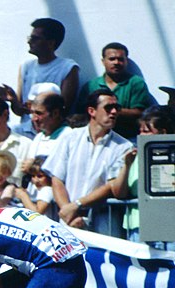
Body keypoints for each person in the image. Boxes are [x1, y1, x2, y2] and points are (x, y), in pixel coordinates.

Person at [42, 88, 133, 234]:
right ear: (92, 111)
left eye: (117, 108)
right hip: (69, 222)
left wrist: (76, 205)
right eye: (109, 107)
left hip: (103, 223)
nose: (114, 112)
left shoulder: (124, 146)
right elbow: (57, 179)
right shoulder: (70, 138)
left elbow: (112, 186)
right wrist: (68, 211)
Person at [0, 18, 79, 136]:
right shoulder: (26, 67)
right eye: (30, 38)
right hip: (26, 133)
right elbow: (20, 111)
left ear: (51, 43)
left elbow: (63, 109)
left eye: (35, 38)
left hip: (52, 133)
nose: (30, 42)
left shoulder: (68, 68)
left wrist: (33, 106)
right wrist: (13, 100)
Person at [111, 106, 175, 245]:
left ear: (163, 133)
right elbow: (119, 193)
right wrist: (127, 165)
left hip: (170, 226)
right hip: (139, 226)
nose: (141, 136)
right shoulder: (133, 156)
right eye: (139, 131)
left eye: (146, 131)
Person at [76, 42, 153, 140]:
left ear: (126, 61)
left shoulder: (136, 83)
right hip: (95, 137)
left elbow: (140, 113)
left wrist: (107, 110)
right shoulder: (91, 85)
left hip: (128, 138)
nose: (116, 62)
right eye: (112, 59)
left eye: (120, 59)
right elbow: (81, 113)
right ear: (103, 61)